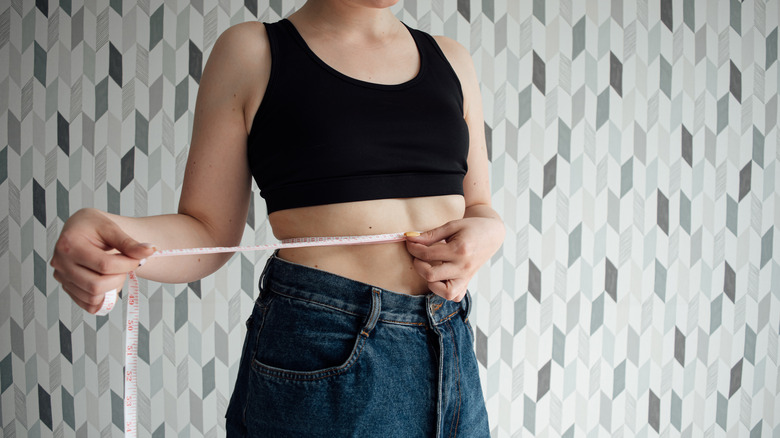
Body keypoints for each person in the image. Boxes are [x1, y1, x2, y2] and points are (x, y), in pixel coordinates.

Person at [50, 0, 505, 436]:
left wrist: (491, 229)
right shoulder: (253, 52)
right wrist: (115, 238)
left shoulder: (452, 58)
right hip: (325, 347)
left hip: (448, 341)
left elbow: (479, 206)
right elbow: (207, 231)